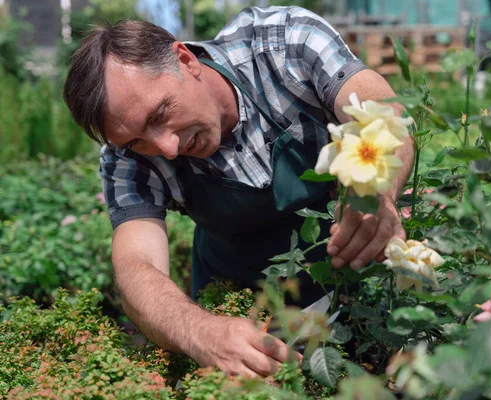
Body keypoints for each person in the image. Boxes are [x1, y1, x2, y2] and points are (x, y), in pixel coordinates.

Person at [63, 6, 414, 378]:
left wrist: (376, 192)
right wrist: (203, 332)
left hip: (354, 270)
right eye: (136, 140)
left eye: (159, 115)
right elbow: (136, 267)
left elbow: (381, 115)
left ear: (184, 60)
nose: (165, 148)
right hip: (245, 307)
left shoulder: (282, 42)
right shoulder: (126, 160)